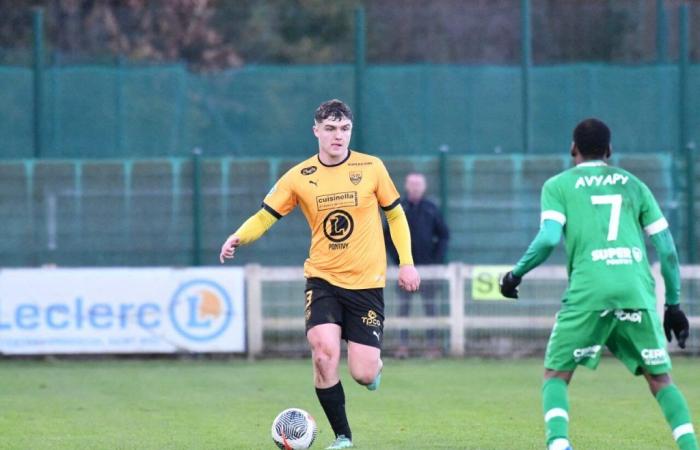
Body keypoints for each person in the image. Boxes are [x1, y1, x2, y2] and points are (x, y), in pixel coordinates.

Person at [219, 99, 420, 450]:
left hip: (367, 283)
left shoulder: (371, 167)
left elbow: (396, 215)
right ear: (316, 131)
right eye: (329, 129)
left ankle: (374, 368)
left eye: (343, 129)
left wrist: (406, 262)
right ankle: (343, 436)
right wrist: (239, 235)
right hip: (323, 278)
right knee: (323, 350)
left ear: (350, 131)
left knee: (363, 373)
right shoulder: (299, 177)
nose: (337, 136)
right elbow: (266, 215)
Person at [499, 118, 696, 450]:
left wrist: (515, 274)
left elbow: (548, 240)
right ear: (609, 150)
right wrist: (673, 305)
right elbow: (667, 250)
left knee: (556, 374)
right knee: (660, 379)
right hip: (635, 291)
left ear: (573, 148)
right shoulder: (635, 185)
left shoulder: (558, 186)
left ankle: (559, 445)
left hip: (589, 292)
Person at [384, 172, 449, 358]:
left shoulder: (431, 209)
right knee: (403, 309)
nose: (415, 187)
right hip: (404, 269)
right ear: (406, 186)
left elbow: (444, 235)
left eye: (418, 184)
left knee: (431, 308)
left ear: (424, 186)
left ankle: (432, 347)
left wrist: (435, 260)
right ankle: (402, 347)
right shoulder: (398, 208)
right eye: (412, 184)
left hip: (428, 270)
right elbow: (387, 236)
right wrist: (399, 261)